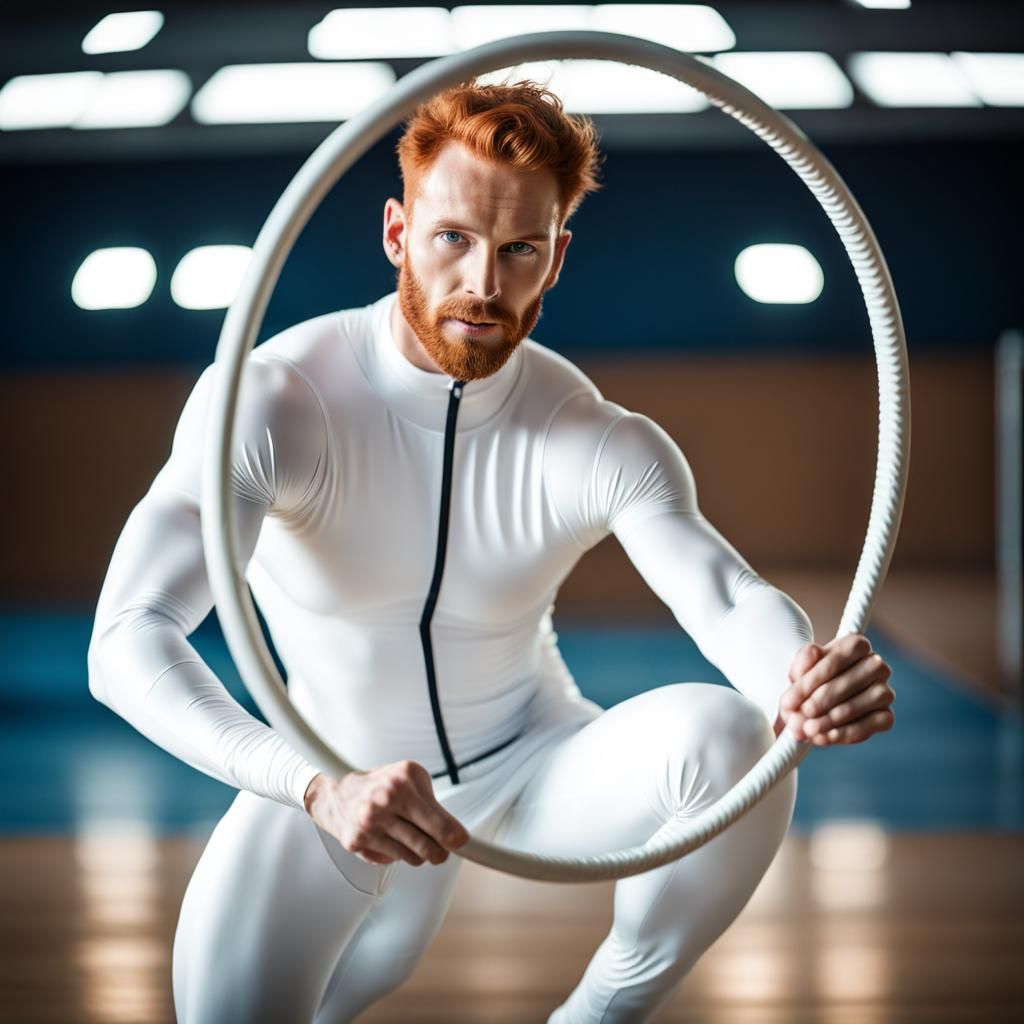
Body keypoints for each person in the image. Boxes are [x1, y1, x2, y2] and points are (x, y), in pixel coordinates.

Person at [87, 80, 895, 1023]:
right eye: (453, 239)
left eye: (518, 250)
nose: (482, 283)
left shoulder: (594, 435)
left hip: (535, 766)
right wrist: (313, 785)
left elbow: (722, 595)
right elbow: (126, 638)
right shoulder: (274, 403)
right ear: (396, 234)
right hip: (329, 782)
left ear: (555, 259)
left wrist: (798, 676)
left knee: (734, 739)